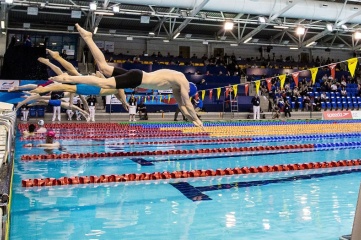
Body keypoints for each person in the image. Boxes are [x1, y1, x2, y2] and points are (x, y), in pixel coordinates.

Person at [50, 23, 202, 128]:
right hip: (137, 79)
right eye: (187, 94)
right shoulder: (182, 82)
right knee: (104, 83)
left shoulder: (177, 82)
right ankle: (69, 78)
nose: (184, 95)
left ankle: (88, 38)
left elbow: (182, 106)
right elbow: (187, 104)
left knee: (103, 68)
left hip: (137, 76)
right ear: (189, 90)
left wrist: (192, 120)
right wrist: (196, 118)